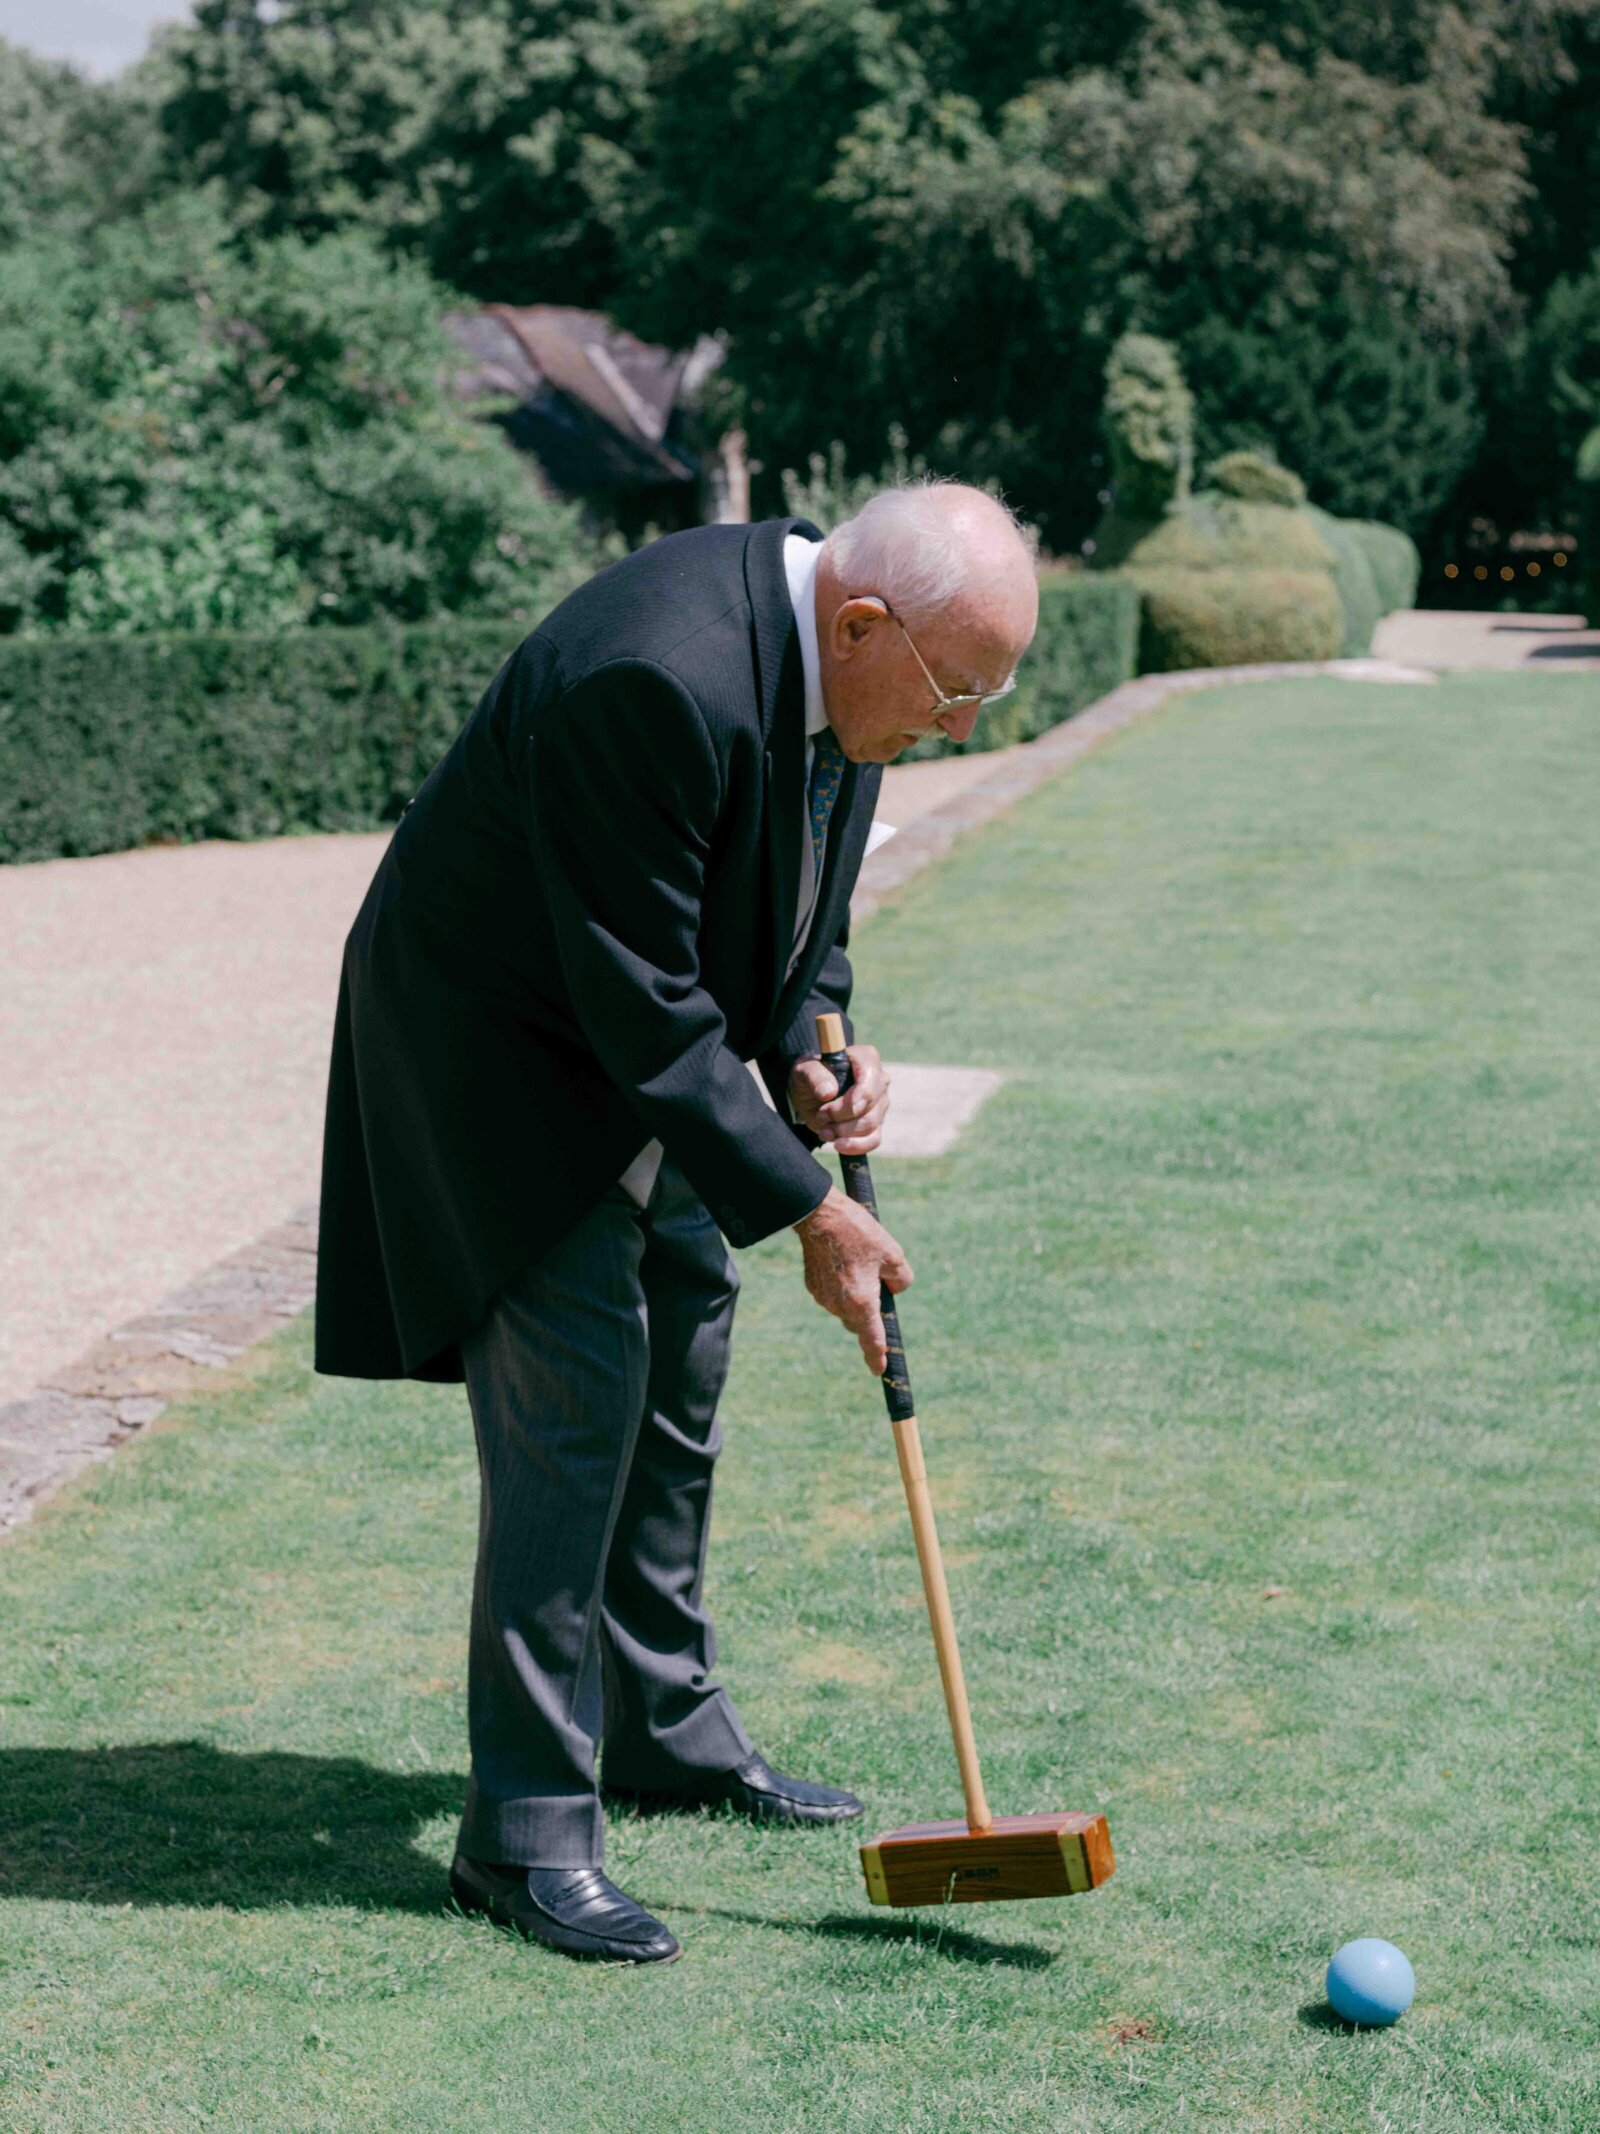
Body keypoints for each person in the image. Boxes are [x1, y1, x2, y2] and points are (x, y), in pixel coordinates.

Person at [313, 479, 1039, 1964]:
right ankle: (522, 1834)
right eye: (959, 689)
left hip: (646, 1046)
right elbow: (638, 996)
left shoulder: (845, 670)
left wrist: (823, 1035)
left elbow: (799, 904)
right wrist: (813, 1206)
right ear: (859, 620)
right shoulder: (659, 677)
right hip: (505, 1059)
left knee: (684, 1362)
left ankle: (661, 1726)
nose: (965, 723)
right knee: (577, 1403)